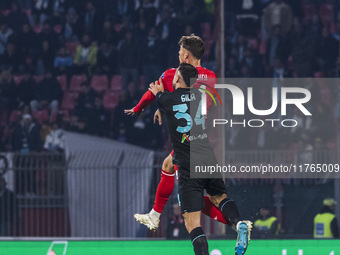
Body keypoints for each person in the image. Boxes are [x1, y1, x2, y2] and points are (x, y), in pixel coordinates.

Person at [126, 35, 235, 231]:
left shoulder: (172, 75)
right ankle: (155, 215)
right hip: (202, 141)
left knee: (191, 208)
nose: (177, 55)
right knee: (170, 166)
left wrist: (139, 107)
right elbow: (191, 98)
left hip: (186, 145)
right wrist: (165, 105)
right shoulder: (210, 76)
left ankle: (235, 223)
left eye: (179, 52)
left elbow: (154, 92)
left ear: (185, 55)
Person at [149, 63, 251, 255]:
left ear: (178, 79)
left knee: (192, 223)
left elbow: (159, 95)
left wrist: (157, 92)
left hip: (187, 164)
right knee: (219, 197)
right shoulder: (201, 96)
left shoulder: (167, 99)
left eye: (176, 76)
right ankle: (238, 223)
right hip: (206, 155)